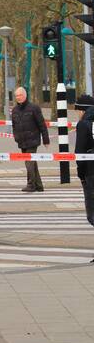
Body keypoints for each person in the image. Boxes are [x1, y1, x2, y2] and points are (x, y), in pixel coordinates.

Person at [10, 87, 48, 192]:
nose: (18, 97)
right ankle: (39, 185)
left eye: (20, 95)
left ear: (25, 95)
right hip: (22, 141)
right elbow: (14, 125)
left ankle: (31, 185)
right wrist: (16, 137)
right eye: (17, 95)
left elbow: (42, 124)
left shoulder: (34, 108)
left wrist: (46, 139)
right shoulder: (14, 110)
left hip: (32, 140)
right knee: (32, 163)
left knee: (29, 162)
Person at [72, 94, 94, 262]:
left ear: (82, 110)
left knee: (92, 214)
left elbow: (79, 152)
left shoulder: (83, 125)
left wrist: (80, 174)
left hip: (90, 173)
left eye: (77, 110)